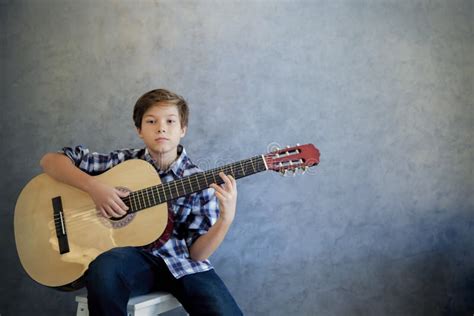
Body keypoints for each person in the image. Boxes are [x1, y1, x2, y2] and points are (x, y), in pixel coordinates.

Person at [40, 89, 243, 316]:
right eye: (151, 121)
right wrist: (94, 187)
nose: (161, 128)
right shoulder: (123, 162)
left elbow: (197, 255)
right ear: (139, 130)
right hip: (129, 262)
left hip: (184, 266)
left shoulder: (199, 181)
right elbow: (51, 161)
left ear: (183, 129)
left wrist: (226, 219)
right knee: (105, 268)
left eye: (170, 121)